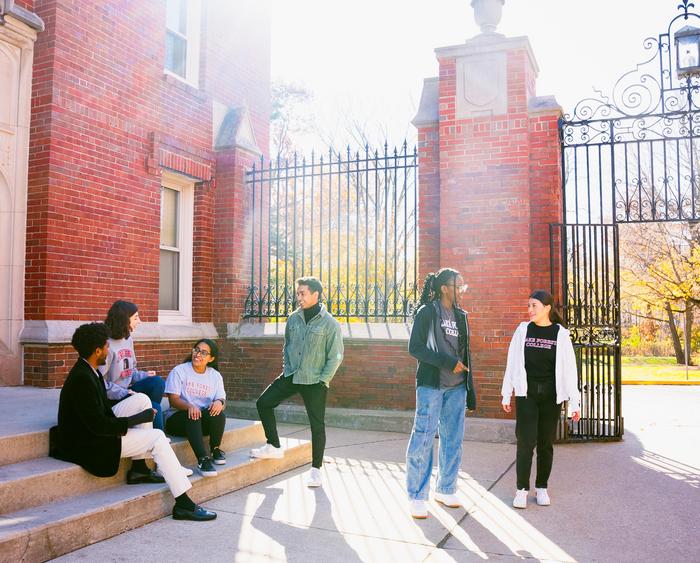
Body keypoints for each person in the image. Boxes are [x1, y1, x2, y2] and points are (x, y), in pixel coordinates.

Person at [51, 322, 216, 521]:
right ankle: (184, 504)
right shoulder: (82, 379)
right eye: (105, 346)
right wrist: (138, 419)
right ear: (96, 351)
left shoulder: (89, 369)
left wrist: (138, 411)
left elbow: (101, 415)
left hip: (95, 430)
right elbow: (98, 426)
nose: (108, 350)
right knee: (157, 437)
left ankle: (139, 469)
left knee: (142, 400)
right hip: (90, 444)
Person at [250, 276, 344, 488]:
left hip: (314, 381)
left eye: (302, 293)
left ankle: (316, 470)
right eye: (298, 293)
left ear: (315, 295)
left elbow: (336, 356)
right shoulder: (293, 319)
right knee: (263, 403)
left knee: (316, 425)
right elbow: (287, 346)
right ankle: (273, 445)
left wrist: (323, 380)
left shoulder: (330, 324)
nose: (298, 297)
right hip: (292, 375)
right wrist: (287, 368)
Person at [406, 268, 477, 519]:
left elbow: (464, 353)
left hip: (456, 386)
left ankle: (446, 489)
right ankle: (416, 495)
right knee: (423, 438)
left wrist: (469, 387)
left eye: (462, 286)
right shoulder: (427, 312)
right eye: (457, 285)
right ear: (444, 288)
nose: (461, 290)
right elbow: (415, 348)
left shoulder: (461, 316)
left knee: (453, 439)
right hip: (431, 385)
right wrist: (447, 362)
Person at [501, 290, 581, 509]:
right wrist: (507, 392)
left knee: (546, 443)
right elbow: (512, 362)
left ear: (547, 308)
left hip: (551, 397)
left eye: (534, 306)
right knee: (526, 441)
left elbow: (570, 370)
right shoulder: (522, 330)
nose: (529, 310)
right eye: (528, 305)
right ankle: (521, 490)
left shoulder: (561, 334)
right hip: (527, 395)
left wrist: (575, 402)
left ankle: (542, 487)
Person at [165, 339, 227, 478]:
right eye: (196, 350)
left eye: (204, 353)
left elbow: (222, 399)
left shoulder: (215, 375)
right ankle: (202, 460)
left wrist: (219, 402)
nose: (198, 354)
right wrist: (189, 406)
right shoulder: (180, 371)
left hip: (200, 422)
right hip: (177, 420)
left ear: (211, 358)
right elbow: (173, 400)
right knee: (193, 414)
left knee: (219, 414)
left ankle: (215, 449)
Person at [101, 300, 166, 431]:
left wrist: (144, 375)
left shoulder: (128, 339)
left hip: (127, 390)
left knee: (157, 382)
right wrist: (124, 393)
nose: (139, 321)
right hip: (112, 398)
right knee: (155, 407)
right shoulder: (106, 344)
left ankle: (145, 421)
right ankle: (157, 434)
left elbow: (131, 371)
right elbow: (99, 383)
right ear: (124, 319)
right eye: (136, 317)